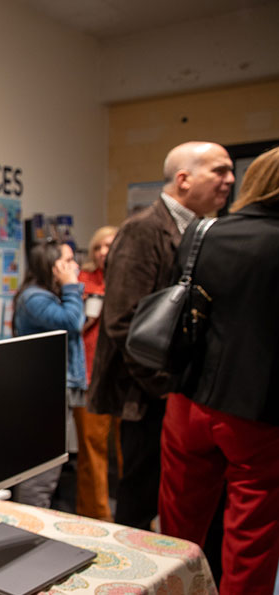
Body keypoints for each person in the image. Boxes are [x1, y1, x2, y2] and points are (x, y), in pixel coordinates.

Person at [87, 141, 234, 530]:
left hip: (176, 395)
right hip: (148, 398)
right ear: (184, 179)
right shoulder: (144, 230)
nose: (230, 180)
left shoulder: (200, 230)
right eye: (219, 171)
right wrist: (164, 387)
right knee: (138, 505)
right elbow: (123, 322)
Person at [158, 146, 279, 594]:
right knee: (251, 539)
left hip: (188, 400)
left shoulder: (203, 233)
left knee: (176, 531)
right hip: (257, 409)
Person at [10, 239, 84, 508]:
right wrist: (71, 286)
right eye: (68, 261)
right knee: (40, 474)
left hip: (52, 389)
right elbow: (72, 322)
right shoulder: (34, 298)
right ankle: (30, 529)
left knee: (49, 469)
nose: (75, 266)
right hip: (41, 393)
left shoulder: (49, 295)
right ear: (52, 266)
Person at [74, 226, 120, 521]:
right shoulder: (82, 281)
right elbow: (73, 325)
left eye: (110, 246)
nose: (104, 252)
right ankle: (97, 517)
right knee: (92, 454)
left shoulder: (134, 276)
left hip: (126, 377)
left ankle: (136, 517)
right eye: (98, 247)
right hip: (90, 375)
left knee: (131, 451)